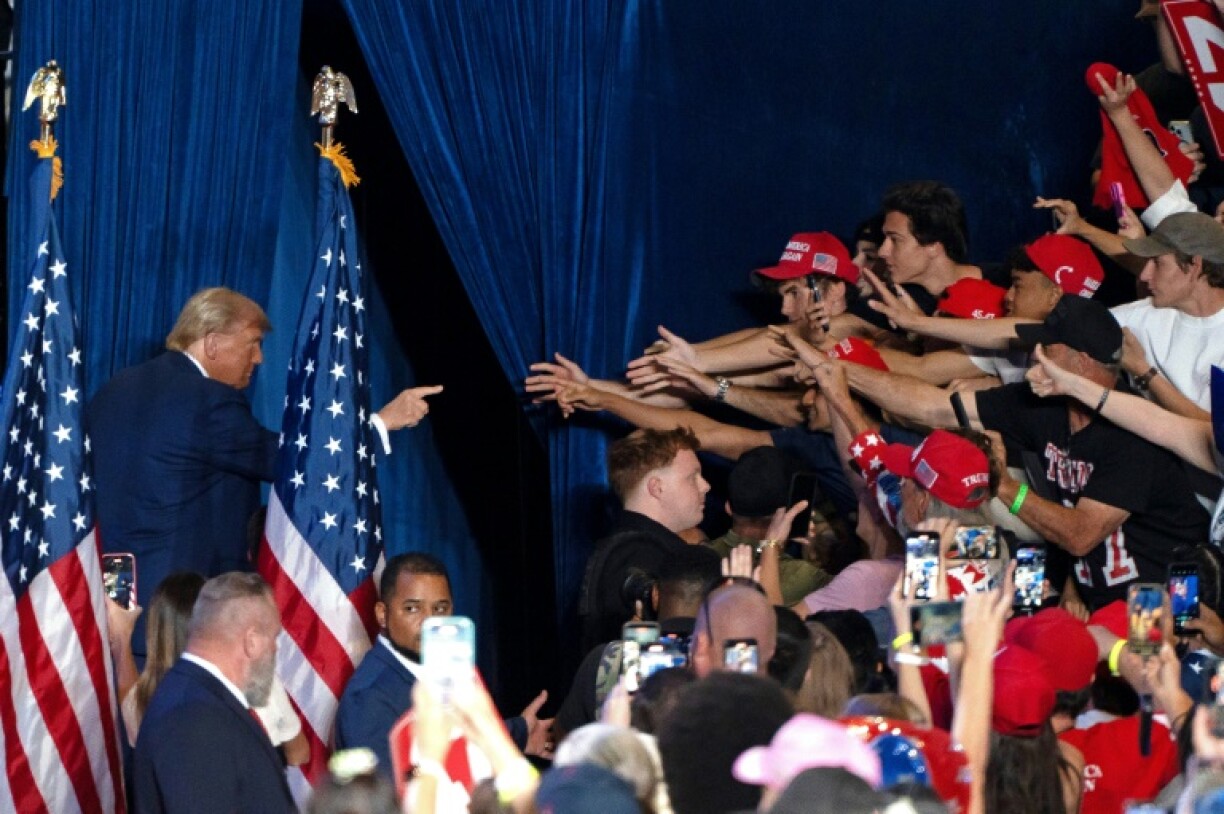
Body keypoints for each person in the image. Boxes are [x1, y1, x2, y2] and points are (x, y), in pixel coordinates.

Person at [88, 287, 442, 657]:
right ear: (212, 342)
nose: (258, 358)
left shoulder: (113, 391)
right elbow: (288, 462)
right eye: (253, 343)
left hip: (115, 605)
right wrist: (380, 423)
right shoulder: (207, 399)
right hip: (178, 618)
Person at [837, 295, 1210, 611]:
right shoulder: (1040, 406)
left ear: (1082, 363)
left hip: (1169, 599)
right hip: (1087, 600)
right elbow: (933, 409)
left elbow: (1080, 536)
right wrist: (838, 376)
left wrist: (1002, 487)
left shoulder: (1132, 434)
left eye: (1048, 348)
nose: (1035, 355)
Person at [334, 552, 553, 777]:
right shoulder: (368, 698)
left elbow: (457, 741)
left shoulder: (446, 672)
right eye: (412, 608)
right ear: (382, 614)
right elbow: (386, 800)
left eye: (440, 609)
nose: (430, 622)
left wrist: (521, 734)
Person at [132, 572, 294, 814]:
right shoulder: (192, 720)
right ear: (251, 641)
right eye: (273, 637)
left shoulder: (197, 698)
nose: (275, 648)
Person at [578, 428, 717, 649]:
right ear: (656, 487)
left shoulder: (624, 548)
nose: (705, 486)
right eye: (693, 477)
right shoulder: (644, 556)